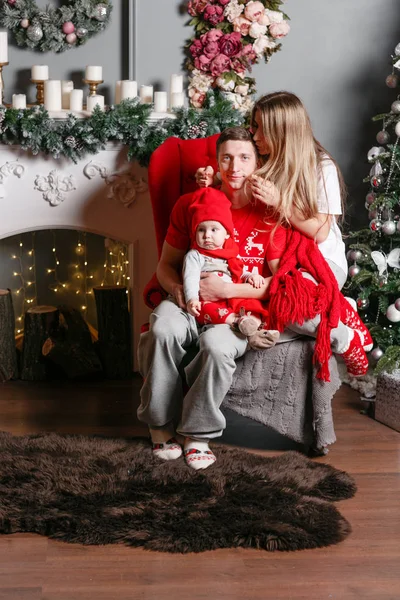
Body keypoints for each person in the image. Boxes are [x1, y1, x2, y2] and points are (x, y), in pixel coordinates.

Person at [138, 127, 288, 471]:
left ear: (257, 162)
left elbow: (279, 283)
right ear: (217, 162)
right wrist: (180, 292)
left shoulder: (271, 213)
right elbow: (166, 266)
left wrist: (229, 291)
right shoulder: (192, 203)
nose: (235, 166)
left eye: (244, 158)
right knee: (162, 330)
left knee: (218, 348)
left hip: (235, 309)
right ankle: (159, 425)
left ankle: (197, 434)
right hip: (186, 300)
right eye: (227, 158)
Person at [197, 91, 372, 355]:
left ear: (283, 131)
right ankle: (337, 311)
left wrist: (280, 202)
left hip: (320, 259)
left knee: (287, 306)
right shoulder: (265, 157)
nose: (255, 136)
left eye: (261, 130)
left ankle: (344, 335)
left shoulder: (321, 167)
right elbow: (233, 164)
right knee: (271, 313)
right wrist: (207, 174)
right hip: (283, 258)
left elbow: (321, 232)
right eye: (254, 126)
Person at [183, 186, 279, 343]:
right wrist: (192, 298)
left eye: (214, 230)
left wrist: (251, 276)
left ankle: (256, 330)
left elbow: (238, 271)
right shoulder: (196, 255)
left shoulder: (230, 252)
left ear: (227, 233)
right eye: (201, 230)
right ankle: (238, 322)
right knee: (206, 308)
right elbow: (190, 277)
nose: (207, 235)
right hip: (207, 300)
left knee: (250, 303)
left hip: (229, 297)